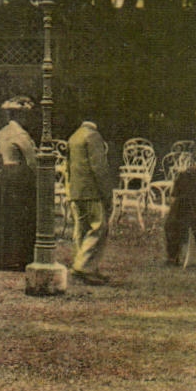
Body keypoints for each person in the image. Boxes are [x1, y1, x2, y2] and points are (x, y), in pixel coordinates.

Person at [0, 98, 38, 271]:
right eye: (26, 115)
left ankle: (0, 256)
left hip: (5, 175)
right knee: (19, 216)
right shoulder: (20, 135)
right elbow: (31, 160)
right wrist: (37, 177)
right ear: (20, 115)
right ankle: (17, 257)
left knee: (4, 215)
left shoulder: (3, 132)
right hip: (19, 175)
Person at [66, 119, 112, 285]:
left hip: (76, 191)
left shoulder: (74, 137)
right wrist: (107, 192)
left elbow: (68, 167)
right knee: (99, 227)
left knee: (82, 229)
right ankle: (83, 266)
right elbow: (99, 168)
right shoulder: (93, 136)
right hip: (91, 191)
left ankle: (89, 268)